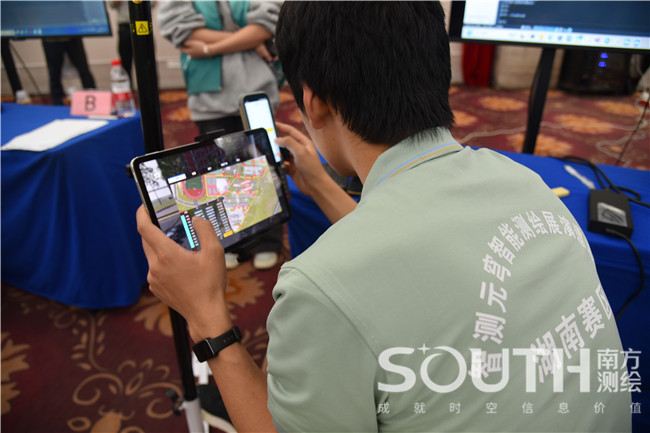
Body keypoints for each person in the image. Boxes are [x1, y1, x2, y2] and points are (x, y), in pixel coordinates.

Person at [137, 2, 631, 432]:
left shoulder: (317, 287)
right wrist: (320, 183)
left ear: (313, 103)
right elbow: (402, 246)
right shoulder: (526, 181)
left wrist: (206, 316)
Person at [157, 0, 284, 270]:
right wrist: (248, 41)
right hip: (209, 96)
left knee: (263, 164)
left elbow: (268, 23)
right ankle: (228, 242)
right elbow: (183, 31)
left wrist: (209, 48)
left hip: (255, 88)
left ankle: (268, 239)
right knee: (215, 173)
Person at [41, 37, 96, 105]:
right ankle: (58, 104)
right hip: (50, 39)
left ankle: (93, 98)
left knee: (84, 70)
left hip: (72, 36)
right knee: (54, 74)